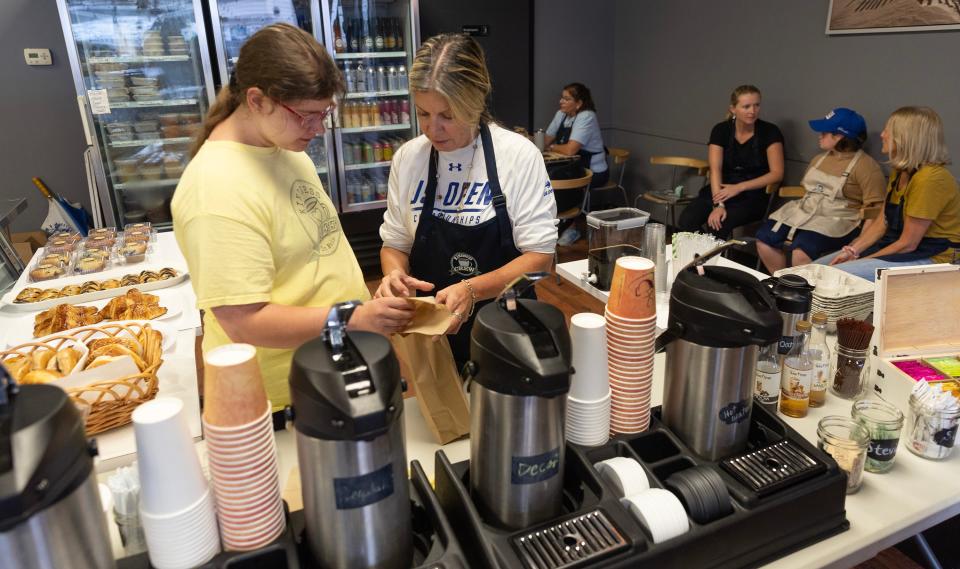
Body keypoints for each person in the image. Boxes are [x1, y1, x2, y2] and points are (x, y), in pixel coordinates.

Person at [172, 24, 414, 423]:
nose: (317, 129)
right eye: (306, 116)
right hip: (285, 395)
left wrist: (367, 312)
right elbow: (243, 322)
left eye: (324, 114)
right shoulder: (214, 189)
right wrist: (356, 318)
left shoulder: (281, 147)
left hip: (333, 365)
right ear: (257, 100)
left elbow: (316, 256)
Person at [377, 33, 557, 367]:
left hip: (508, 327)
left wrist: (471, 289)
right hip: (434, 334)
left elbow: (540, 261)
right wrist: (393, 276)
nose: (433, 129)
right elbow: (395, 244)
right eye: (423, 114)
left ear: (475, 101)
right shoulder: (408, 158)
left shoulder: (518, 156)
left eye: (447, 114)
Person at [817, 106, 960, 281]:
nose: (882, 135)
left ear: (906, 138)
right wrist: (853, 251)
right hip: (900, 247)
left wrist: (860, 261)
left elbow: (908, 244)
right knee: (816, 269)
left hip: (935, 258)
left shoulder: (930, 179)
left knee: (836, 276)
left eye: (888, 131)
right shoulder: (901, 170)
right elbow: (882, 221)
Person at [756, 108, 886, 273]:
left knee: (801, 252)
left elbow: (875, 210)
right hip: (807, 210)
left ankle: (803, 292)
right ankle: (780, 282)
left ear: (839, 136)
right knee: (764, 240)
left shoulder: (867, 167)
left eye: (825, 132)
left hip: (838, 219)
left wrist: (860, 242)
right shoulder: (819, 159)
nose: (820, 135)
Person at [677, 85, 785, 239]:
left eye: (756, 105)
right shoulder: (721, 130)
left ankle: (710, 262)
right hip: (720, 190)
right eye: (746, 106)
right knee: (687, 221)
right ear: (733, 109)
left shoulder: (770, 132)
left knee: (718, 225)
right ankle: (698, 260)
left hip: (752, 194)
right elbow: (715, 170)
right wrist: (718, 205)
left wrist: (739, 187)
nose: (752, 111)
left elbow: (777, 174)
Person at [544, 83, 608, 245]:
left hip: (592, 171)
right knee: (546, 178)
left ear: (579, 103)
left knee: (560, 182)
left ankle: (571, 226)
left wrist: (552, 147)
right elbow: (545, 140)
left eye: (566, 99)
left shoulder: (587, 116)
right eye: (562, 97)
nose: (561, 101)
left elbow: (571, 150)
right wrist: (551, 145)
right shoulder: (562, 114)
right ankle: (553, 224)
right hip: (571, 167)